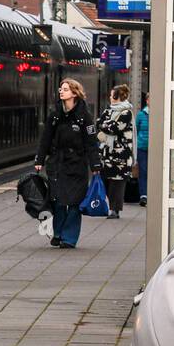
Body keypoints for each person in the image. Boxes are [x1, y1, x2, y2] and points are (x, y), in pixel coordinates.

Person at [35, 78, 102, 249]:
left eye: (65, 89)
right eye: (60, 89)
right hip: (57, 164)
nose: (61, 91)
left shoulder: (84, 117)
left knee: (73, 201)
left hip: (77, 165)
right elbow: (46, 138)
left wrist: (95, 166)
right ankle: (57, 233)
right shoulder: (55, 115)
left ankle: (69, 238)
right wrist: (39, 160)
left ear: (74, 93)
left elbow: (91, 143)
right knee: (57, 200)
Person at [97, 84, 135, 219]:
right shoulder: (108, 111)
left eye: (112, 94)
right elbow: (99, 124)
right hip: (106, 154)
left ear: (118, 96)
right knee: (106, 179)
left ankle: (115, 209)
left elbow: (114, 128)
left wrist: (104, 126)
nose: (110, 97)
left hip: (121, 155)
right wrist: (105, 125)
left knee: (117, 182)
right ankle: (111, 206)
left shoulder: (126, 112)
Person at [135, 92, 149, 207]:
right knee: (143, 171)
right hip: (142, 147)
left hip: (155, 148)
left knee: (153, 171)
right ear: (147, 101)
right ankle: (143, 195)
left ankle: (153, 193)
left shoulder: (160, 113)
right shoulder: (141, 115)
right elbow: (136, 130)